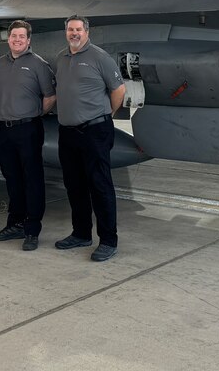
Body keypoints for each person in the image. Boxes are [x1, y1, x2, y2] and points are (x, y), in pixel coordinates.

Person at [53, 15, 126, 262]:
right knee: (74, 186)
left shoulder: (100, 57)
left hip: (94, 131)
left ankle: (108, 240)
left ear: (86, 32)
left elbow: (118, 91)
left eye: (78, 29)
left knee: (100, 186)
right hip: (68, 132)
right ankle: (81, 233)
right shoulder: (62, 58)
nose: (74, 33)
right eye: (70, 30)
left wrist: (105, 116)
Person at [0, 20, 56, 252]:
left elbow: (49, 96)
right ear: (8, 39)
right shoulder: (0, 63)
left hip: (28, 128)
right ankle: (15, 223)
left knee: (32, 180)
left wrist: (35, 114)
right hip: (4, 129)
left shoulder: (38, 64)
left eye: (21, 36)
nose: (17, 40)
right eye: (13, 36)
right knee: (12, 179)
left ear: (28, 40)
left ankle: (32, 230)